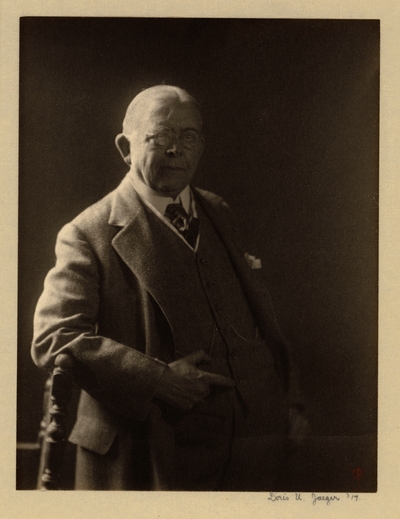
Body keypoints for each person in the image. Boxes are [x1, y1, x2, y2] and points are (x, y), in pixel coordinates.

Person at [31, 85, 307, 491]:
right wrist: (157, 379)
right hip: (152, 455)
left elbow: (260, 318)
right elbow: (54, 337)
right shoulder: (86, 233)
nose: (177, 149)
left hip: (252, 447)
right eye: (160, 137)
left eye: (189, 137)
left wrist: (288, 400)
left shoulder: (218, 211)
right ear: (126, 147)